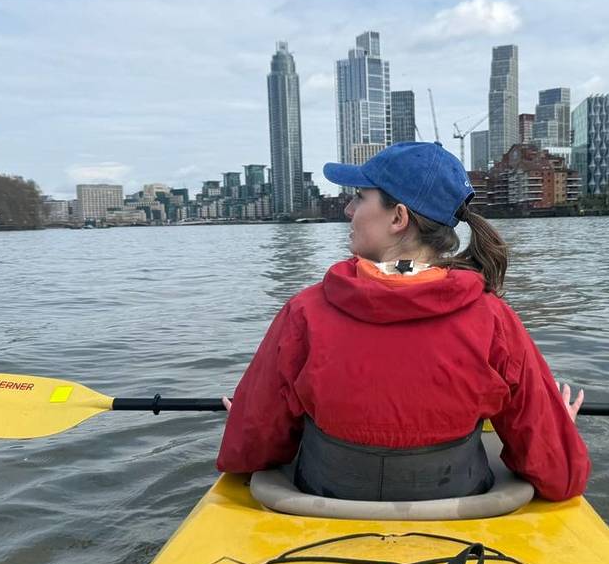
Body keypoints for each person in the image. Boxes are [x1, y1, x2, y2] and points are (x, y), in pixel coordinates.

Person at [217, 141, 589, 502]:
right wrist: (558, 436)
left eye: (360, 197)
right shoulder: (494, 319)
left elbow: (246, 454)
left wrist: (248, 424)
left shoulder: (303, 313)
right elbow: (561, 477)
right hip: (461, 522)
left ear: (398, 217)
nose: (348, 209)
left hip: (321, 513)